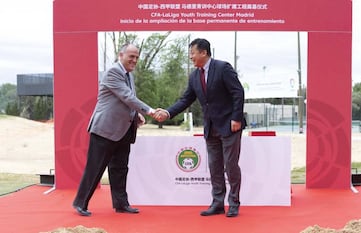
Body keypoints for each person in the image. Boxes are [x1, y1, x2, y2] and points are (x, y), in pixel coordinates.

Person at [155, 38, 246, 217]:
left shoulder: (223, 68)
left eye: (192, 53)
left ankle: (234, 203)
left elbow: (238, 92)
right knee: (214, 167)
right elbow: (185, 99)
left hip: (229, 126)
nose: (191, 57)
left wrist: (236, 118)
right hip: (210, 128)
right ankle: (218, 203)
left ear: (203, 52)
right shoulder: (195, 75)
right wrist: (167, 113)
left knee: (231, 165)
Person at [72, 43, 156, 216]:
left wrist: (136, 115)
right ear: (121, 55)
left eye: (137, 57)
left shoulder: (129, 75)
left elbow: (127, 100)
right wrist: (149, 111)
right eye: (131, 56)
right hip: (105, 129)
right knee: (95, 168)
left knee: (120, 168)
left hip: (124, 129)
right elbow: (127, 96)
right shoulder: (113, 72)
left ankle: (121, 204)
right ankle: (80, 203)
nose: (134, 60)